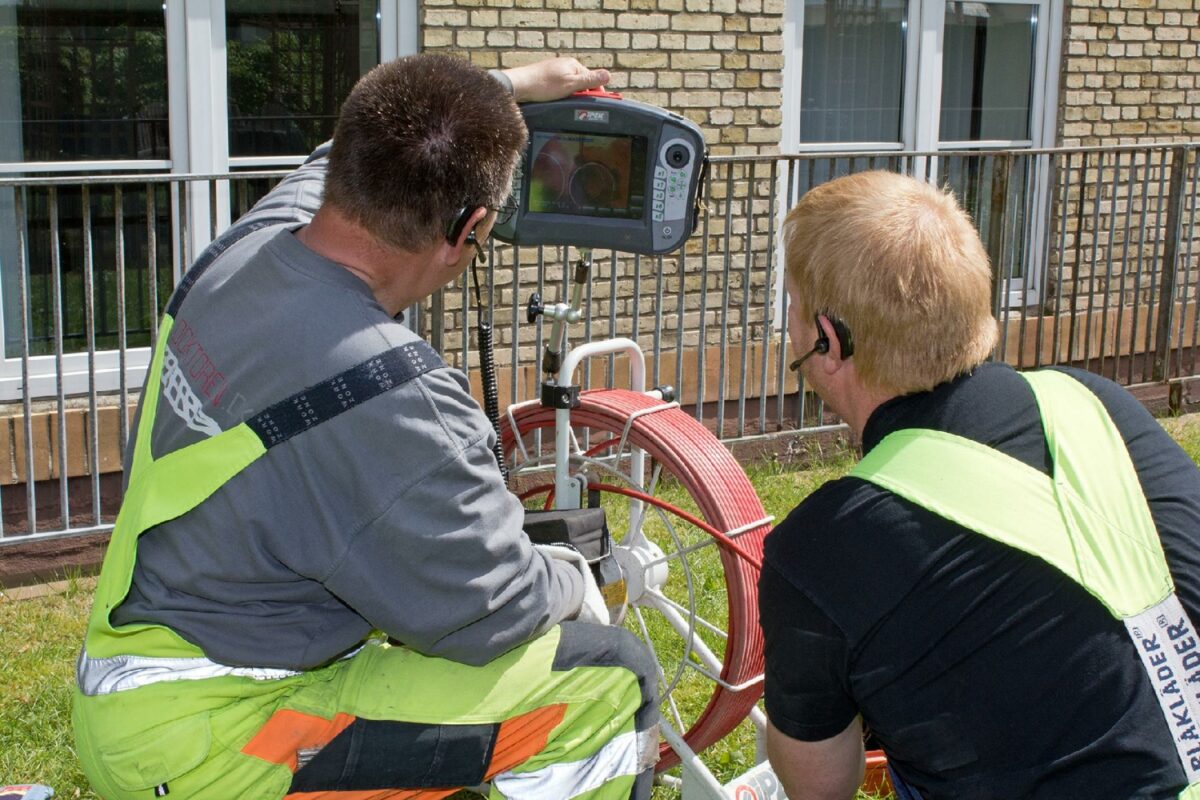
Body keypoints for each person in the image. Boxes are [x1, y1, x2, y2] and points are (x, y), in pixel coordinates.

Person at [73, 54, 661, 800]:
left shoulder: (250, 247)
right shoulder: (391, 394)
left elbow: (342, 148)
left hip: (130, 681)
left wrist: (514, 82)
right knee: (606, 679)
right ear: (471, 227)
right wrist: (571, 578)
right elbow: (494, 610)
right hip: (213, 742)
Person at [759, 170, 1200, 800]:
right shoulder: (1094, 402)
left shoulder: (819, 550)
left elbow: (822, 786)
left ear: (829, 341)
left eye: (794, 309)